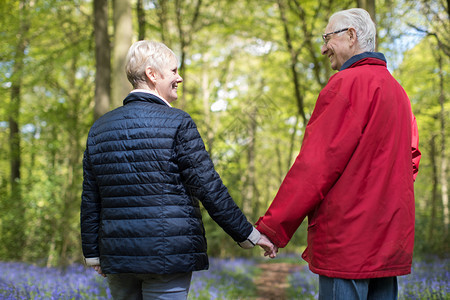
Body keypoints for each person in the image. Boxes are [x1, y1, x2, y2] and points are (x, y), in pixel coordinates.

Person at [80, 40, 277, 300]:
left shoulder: (100, 128)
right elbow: (208, 187)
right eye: (173, 71)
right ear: (152, 75)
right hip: (168, 254)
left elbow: (91, 199)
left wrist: (92, 252)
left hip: (118, 256)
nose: (179, 77)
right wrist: (247, 234)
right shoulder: (178, 122)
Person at [255, 8, 421, 300]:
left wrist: (274, 227)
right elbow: (411, 160)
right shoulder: (398, 92)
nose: (323, 48)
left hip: (347, 244)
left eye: (327, 38)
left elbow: (316, 166)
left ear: (351, 36)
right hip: (390, 242)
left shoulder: (345, 85)